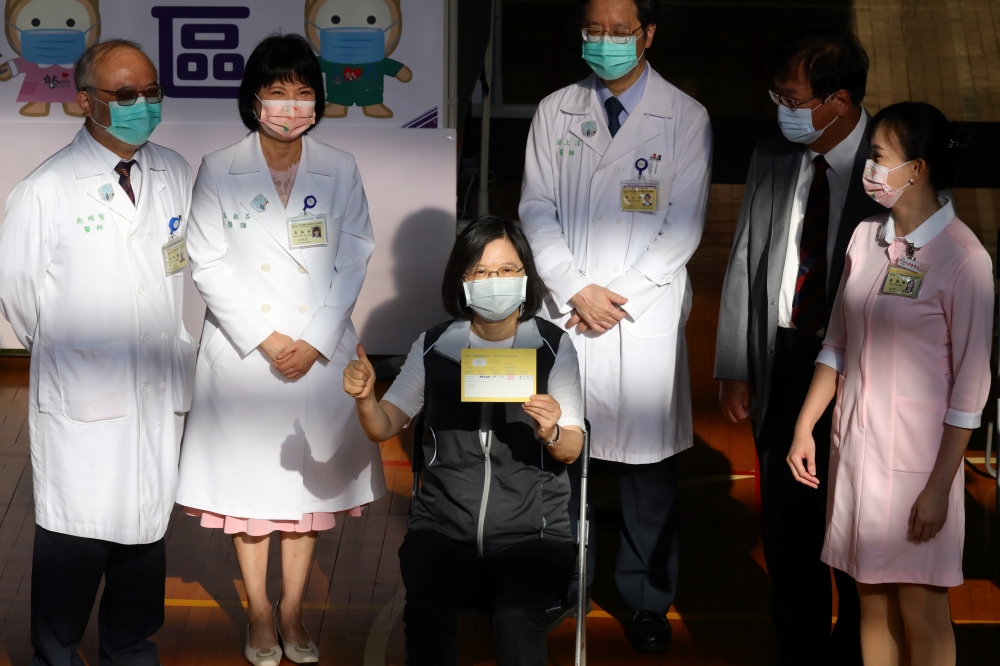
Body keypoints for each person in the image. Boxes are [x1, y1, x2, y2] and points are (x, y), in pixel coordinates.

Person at [175, 34, 385, 666]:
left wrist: (314, 342)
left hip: (318, 353)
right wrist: (267, 340)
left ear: (317, 101)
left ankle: (292, 608)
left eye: (302, 93)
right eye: (277, 92)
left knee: (304, 496)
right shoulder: (219, 167)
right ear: (254, 100)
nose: (291, 106)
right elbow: (206, 262)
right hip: (246, 355)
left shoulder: (340, 166)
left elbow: (355, 254)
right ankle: (259, 613)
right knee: (249, 495)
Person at [518, 0, 711, 651]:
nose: (605, 42)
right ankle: (564, 583)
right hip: (569, 309)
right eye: (594, 31)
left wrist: (611, 297)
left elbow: (682, 226)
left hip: (639, 314)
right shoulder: (555, 110)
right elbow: (535, 208)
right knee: (560, 457)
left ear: (648, 34)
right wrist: (575, 288)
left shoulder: (685, 117)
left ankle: (648, 601)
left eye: (620, 32)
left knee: (646, 473)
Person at [0, 39, 197, 666]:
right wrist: (75, 357)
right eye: (126, 95)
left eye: (152, 92)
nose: (144, 105)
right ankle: (55, 656)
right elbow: (20, 300)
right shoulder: (46, 190)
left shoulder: (174, 172)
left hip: (156, 392)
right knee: (74, 544)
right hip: (84, 401)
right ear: (86, 101)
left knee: (144, 540)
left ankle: (130, 653)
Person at [788, 103, 991, 666]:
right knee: (870, 607)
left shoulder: (965, 260)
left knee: (923, 613)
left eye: (878, 156)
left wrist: (938, 488)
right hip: (857, 458)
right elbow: (837, 343)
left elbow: (970, 392)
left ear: (916, 169)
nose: (868, 169)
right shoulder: (863, 239)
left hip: (920, 472)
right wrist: (805, 427)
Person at [343, 216, 585, 666]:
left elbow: (570, 449)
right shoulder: (434, 346)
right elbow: (383, 425)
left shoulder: (553, 346)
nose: (495, 281)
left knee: (517, 618)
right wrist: (365, 398)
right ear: (462, 280)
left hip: (533, 536)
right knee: (427, 610)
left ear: (526, 276)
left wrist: (552, 429)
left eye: (507, 270)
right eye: (481, 271)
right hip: (442, 531)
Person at [714, 29, 883, 665]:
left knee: (855, 524)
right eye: (777, 96)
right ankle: (799, 650)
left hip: (862, 373)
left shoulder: (892, 161)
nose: (781, 110)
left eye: (793, 99)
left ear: (838, 102)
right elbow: (744, 259)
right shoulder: (773, 157)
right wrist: (735, 365)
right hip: (783, 358)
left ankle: (856, 649)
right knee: (787, 530)